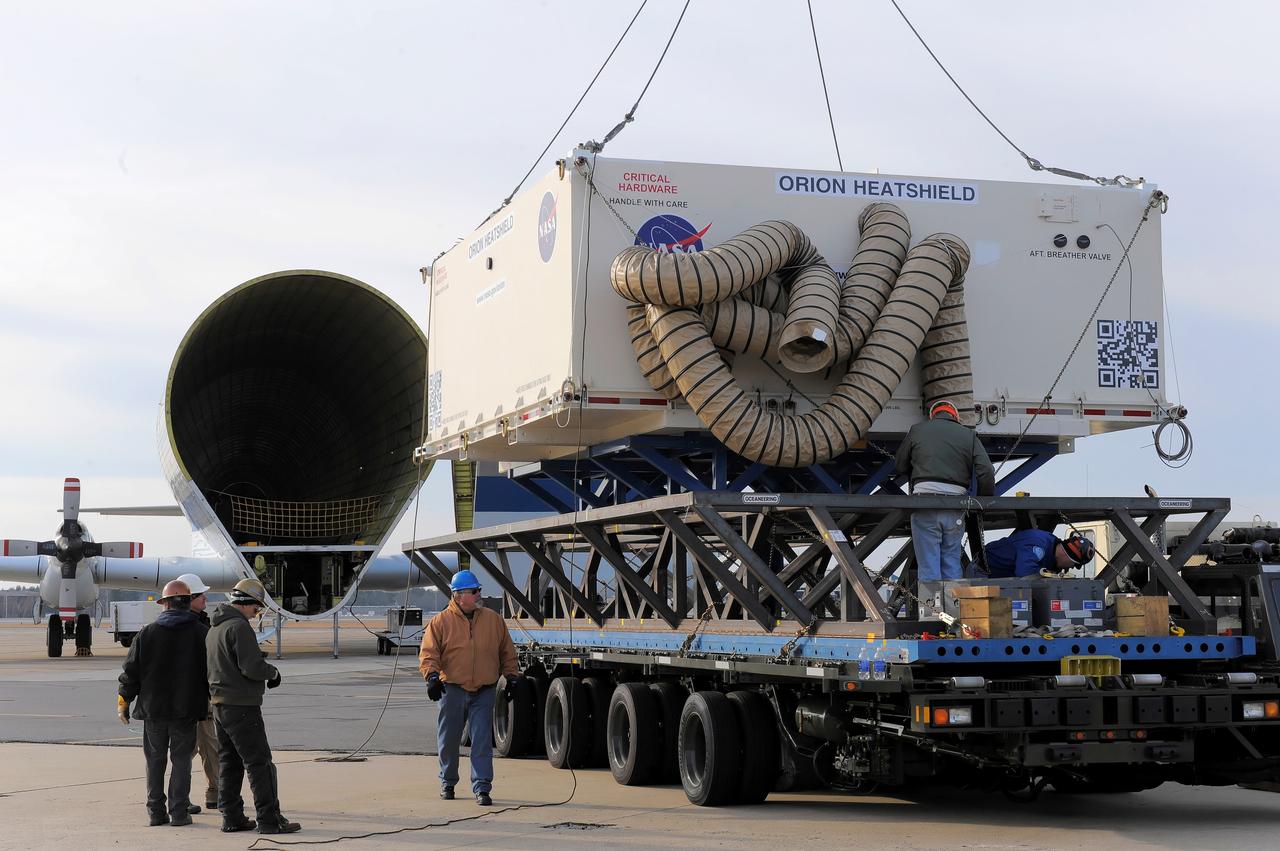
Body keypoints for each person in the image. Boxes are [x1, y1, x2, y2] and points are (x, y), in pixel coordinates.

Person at [207, 577, 301, 835]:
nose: (256, 612)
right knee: (260, 764)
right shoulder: (239, 627)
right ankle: (270, 820)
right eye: (256, 607)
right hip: (242, 706)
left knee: (229, 763)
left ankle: (232, 817)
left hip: (220, 705)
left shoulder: (215, 628)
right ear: (246, 603)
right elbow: (251, 667)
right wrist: (273, 673)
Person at [418, 569, 520, 806]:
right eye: (474, 591)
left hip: (484, 689)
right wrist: (431, 677)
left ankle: (482, 787)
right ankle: (448, 782)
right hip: (452, 689)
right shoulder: (440, 622)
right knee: (449, 740)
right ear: (458, 595)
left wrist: (512, 677)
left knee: (482, 740)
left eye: (478, 590)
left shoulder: (493, 620)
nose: (478, 595)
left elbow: (507, 651)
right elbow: (429, 653)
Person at [117, 579, 210, 827]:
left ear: (165, 603)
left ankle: (156, 813)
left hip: (153, 710)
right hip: (186, 710)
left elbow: (131, 672)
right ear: (187, 602)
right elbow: (212, 673)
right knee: (181, 761)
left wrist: (124, 701)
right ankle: (179, 813)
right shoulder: (201, 633)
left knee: (155, 761)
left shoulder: (147, 633)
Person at [894, 400, 996, 615]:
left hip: (924, 505)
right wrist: (984, 501)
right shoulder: (968, 435)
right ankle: (954, 617)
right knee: (951, 563)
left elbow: (900, 465)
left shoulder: (917, 430)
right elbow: (986, 470)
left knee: (929, 566)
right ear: (956, 417)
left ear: (933, 416)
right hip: (955, 506)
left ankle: (932, 618)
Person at [177, 572, 219, 811]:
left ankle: (215, 792)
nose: (205, 598)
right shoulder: (191, 627)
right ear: (189, 598)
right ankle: (179, 798)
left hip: (202, 695)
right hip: (192, 697)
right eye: (201, 595)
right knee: (189, 748)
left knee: (210, 744)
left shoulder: (201, 623)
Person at [985, 529, 1096, 578]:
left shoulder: (1052, 554)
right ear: (1068, 557)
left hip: (998, 577)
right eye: (1074, 565)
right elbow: (1024, 572)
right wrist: (1052, 576)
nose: (1070, 568)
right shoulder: (1039, 543)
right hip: (982, 569)